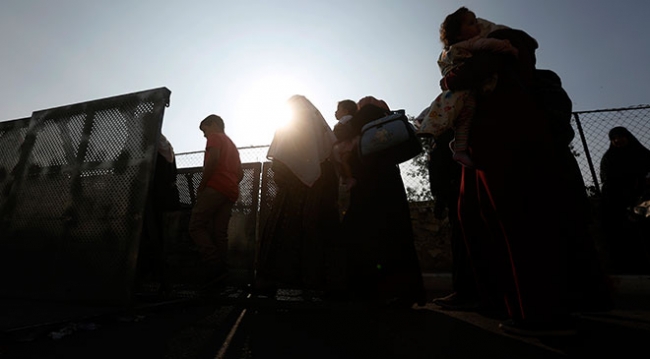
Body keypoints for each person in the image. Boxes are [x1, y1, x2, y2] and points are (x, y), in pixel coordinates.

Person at [444, 27, 611, 336]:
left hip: (512, 162)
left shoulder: (503, 80)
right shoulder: (525, 81)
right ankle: (544, 310)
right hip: (535, 163)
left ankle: (538, 315)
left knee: (523, 236)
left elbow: (451, 81)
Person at [336, 96, 426, 308]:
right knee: (398, 235)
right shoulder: (387, 123)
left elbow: (346, 149)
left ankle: (368, 290)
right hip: (391, 185)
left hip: (367, 188)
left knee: (366, 237)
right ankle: (406, 292)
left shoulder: (356, 123)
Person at [255, 95, 342, 295]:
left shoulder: (291, 127)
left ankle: (271, 281)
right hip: (318, 195)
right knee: (315, 235)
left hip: (291, 197)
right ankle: (314, 283)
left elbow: (281, 161)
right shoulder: (320, 130)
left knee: (282, 235)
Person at [417, 7, 517, 168]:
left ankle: (459, 146)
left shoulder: (446, 54)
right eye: (471, 23)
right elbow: (487, 43)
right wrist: (507, 47)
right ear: (458, 34)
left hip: (466, 94)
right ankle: (432, 126)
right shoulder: (469, 44)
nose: (477, 25)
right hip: (465, 92)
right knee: (459, 110)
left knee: (465, 114)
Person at [189, 114, 243, 286]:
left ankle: (214, 266)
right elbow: (240, 173)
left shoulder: (215, 137)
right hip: (230, 191)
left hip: (215, 187)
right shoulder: (232, 145)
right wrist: (230, 182)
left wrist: (202, 185)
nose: (204, 135)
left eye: (204, 130)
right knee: (220, 232)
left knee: (196, 226)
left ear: (212, 124)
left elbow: (213, 160)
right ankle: (223, 273)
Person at [599, 126, 650, 274]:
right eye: (613, 138)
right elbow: (607, 182)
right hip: (619, 202)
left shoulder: (643, 154)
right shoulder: (609, 158)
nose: (617, 140)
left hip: (644, 200)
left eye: (620, 137)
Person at [332, 99, 359, 220]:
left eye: (338, 110)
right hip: (349, 144)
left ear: (346, 111)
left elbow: (339, 133)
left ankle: (348, 179)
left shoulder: (345, 121)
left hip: (345, 145)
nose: (336, 112)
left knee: (342, 161)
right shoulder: (354, 121)